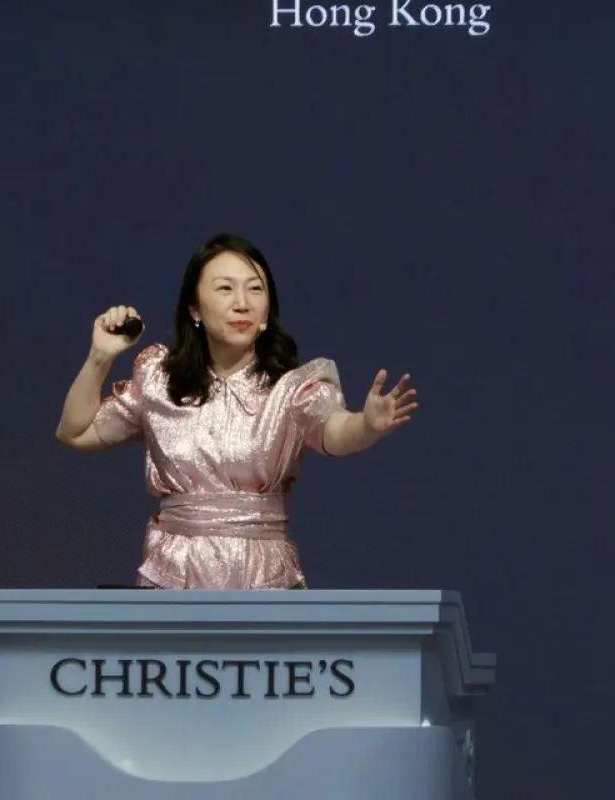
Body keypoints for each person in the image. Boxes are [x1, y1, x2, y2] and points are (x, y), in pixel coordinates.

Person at [54, 233, 418, 590]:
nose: (242, 303)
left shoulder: (292, 388)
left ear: (267, 310)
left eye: (255, 289)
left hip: (265, 577)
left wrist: (367, 426)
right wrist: (101, 357)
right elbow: (76, 432)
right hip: (172, 573)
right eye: (225, 288)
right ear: (194, 308)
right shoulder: (157, 379)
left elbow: (335, 432)